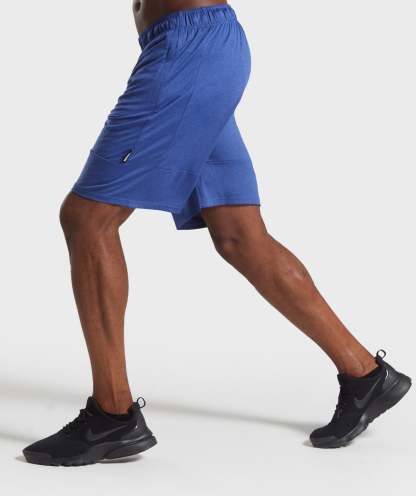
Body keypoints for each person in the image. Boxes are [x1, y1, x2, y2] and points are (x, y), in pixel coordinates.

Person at [23, 0, 411, 466]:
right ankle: (365, 375)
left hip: (190, 48)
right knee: (238, 234)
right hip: (188, 49)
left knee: (88, 218)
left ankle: (112, 414)